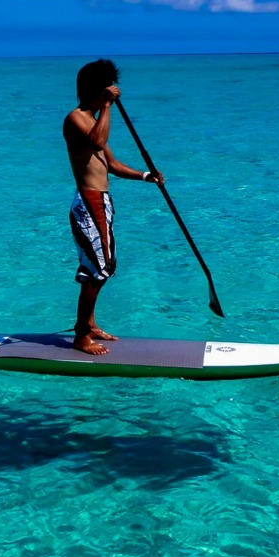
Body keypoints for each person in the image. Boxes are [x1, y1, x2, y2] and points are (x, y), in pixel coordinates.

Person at [63, 59, 164, 355]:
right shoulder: (76, 118)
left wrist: (148, 176)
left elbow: (113, 164)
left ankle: (90, 323)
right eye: (106, 90)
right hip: (89, 201)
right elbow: (96, 142)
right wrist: (107, 107)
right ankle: (81, 336)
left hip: (102, 202)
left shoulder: (94, 121)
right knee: (98, 269)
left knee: (105, 266)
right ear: (96, 90)